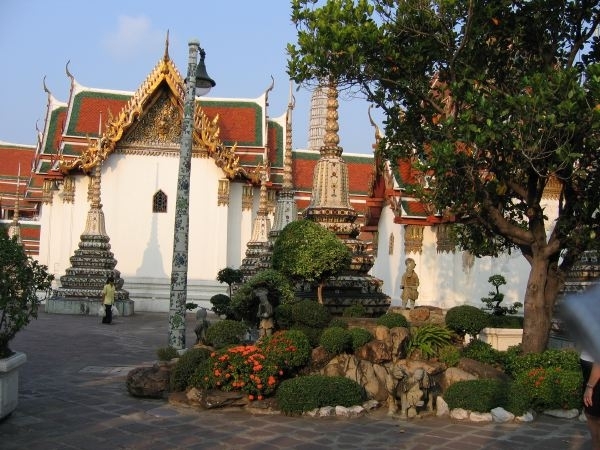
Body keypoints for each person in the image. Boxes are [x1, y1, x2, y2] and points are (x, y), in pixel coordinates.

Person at [581, 350, 600, 450]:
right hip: (591, 376)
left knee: (592, 415)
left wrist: (589, 386)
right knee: (591, 415)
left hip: (595, 379)